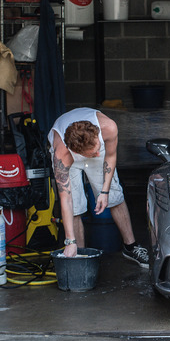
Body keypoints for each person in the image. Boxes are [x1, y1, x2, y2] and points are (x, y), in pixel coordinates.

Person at [47, 108, 149, 267]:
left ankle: (131, 247)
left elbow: (110, 155)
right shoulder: (62, 155)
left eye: (96, 150)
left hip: (92, 145)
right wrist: (69, 241)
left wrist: (105, 191)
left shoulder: (109, 128)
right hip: (69, 153)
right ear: (77, 151)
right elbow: (65, 200)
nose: (96, 155)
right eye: (92, 154)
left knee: (115, 196)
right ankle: (78, 253)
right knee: (74, 204)